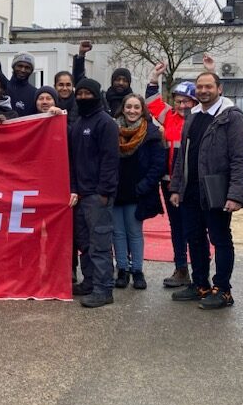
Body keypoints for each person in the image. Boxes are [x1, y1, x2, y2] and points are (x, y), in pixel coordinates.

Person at [169, 71, 243, 310]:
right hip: (190, 191)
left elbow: (240, 158)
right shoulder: (192, 117)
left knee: (220, 238)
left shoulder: (231, 117)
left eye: (208, 87)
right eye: (200, 87)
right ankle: (200, 285)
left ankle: (223, 290)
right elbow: (181, 158)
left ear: (219, 88)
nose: (203, 91)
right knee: (194, 238)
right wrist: (176, 187)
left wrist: (235, 194)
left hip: (216, 191)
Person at [144, 54, 216, 288]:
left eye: (187, 101)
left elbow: (217, 101)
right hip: (170, 183)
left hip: (194, 183)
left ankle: (200, 272)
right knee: (176, 227)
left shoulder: (203, 118)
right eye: (178, 101)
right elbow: (152, 101)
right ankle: (181, 269)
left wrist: (211, 71)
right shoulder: (169, 117)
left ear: (196, 102)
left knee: (196, 227)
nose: (183, 105)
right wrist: (155, 76)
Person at [68, 78, 120, 308]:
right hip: (80, 195)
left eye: (87, 93)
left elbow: (110, 159)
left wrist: (104, 191)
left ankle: (103, 289)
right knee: (85, 244)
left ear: (97, 95)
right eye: (79, 94)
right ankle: (89, 282)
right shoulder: (79, 122)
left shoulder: (105, 122)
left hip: (98, 196)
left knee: (99, 244)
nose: (82, 98)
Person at [111, 94, 166, 291]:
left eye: (136, 107)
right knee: (117, 233)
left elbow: (158, 164)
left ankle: (137, 271)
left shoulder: (151, 132)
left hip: (138, 191)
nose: (132, 111)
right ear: (122, 108)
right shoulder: (112, 130)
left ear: (142, 110)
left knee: (134, 232)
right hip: (116, 190)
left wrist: (144, 186)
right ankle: (122, 270)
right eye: (128, 107)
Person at [0, 33, 38, 117]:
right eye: (20, 66)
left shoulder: (34, 94)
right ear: (13, 67)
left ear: (31, 70)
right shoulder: (3, 87)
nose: (23, 70)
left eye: (27, 67)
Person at [54, 40, 91, 123]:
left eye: (68, 85)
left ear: (73, 86)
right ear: (55, 86)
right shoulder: (50, 104)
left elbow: (79, 77)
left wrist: (81, 55)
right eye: (61, 85)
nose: (64, 88)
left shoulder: (80, 103)